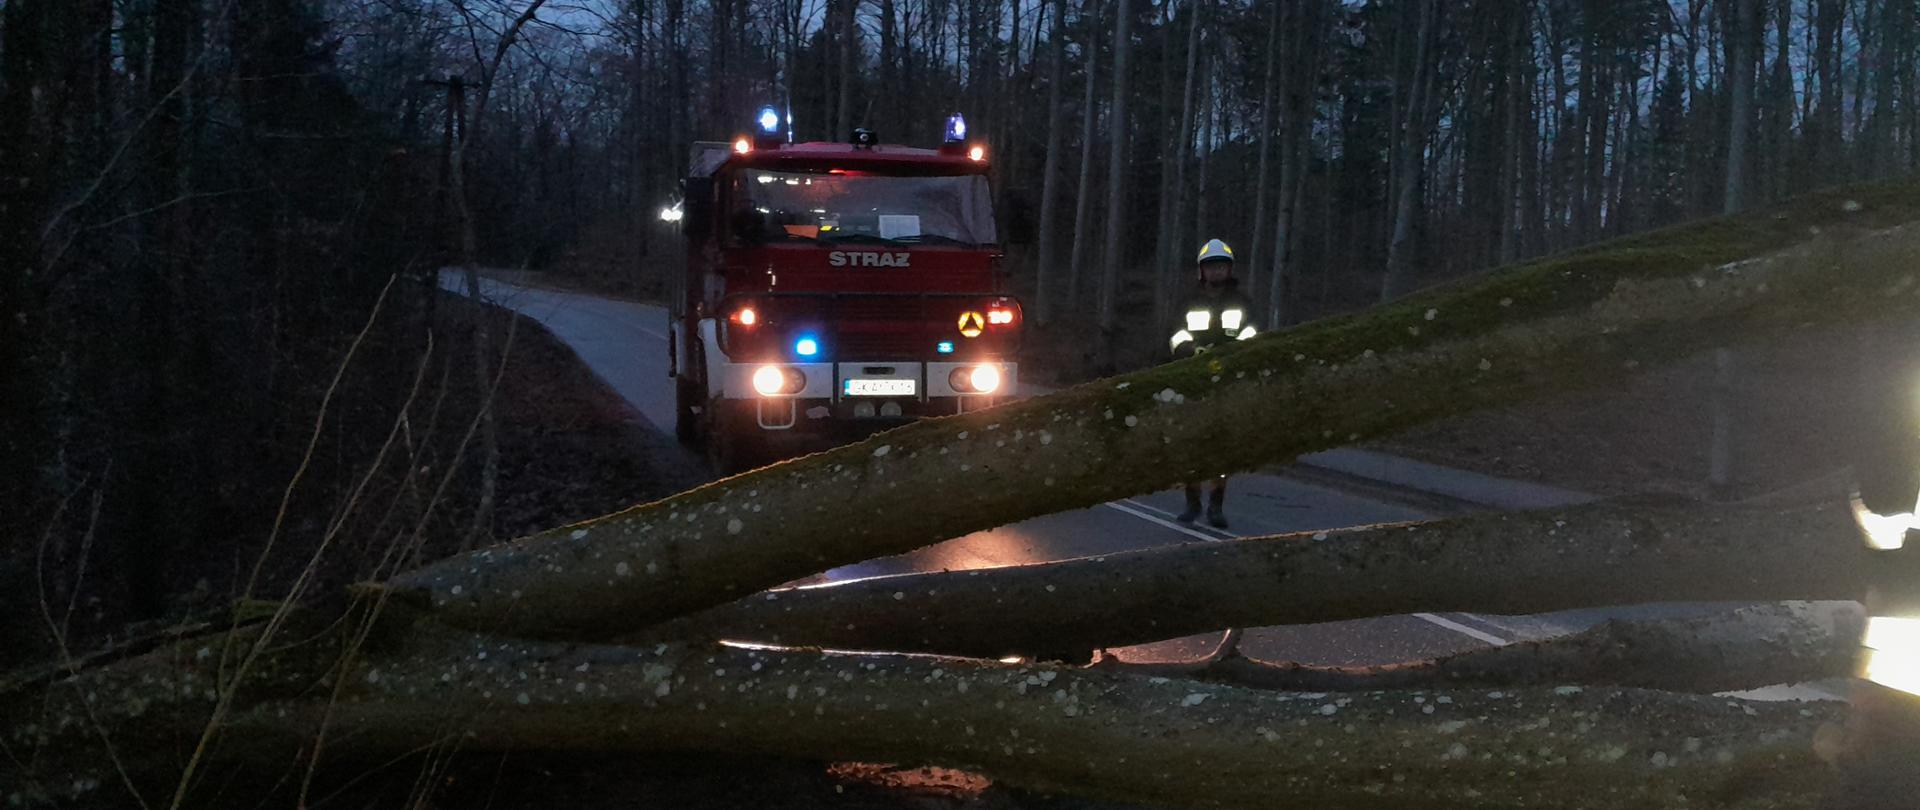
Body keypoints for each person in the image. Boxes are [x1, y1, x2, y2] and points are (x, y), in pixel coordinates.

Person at [1170, 238, 1259, 528]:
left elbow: (1253, 333)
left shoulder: (1242, 302)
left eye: (1221, 267)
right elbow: (1174, 335)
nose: (1216, 272)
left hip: (1228, 383)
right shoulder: (1188, 302)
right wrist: (1190, 351)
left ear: (1229, 270)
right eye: (1212, 267)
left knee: (1221, 449)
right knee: (1192, 446)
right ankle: (1192, 503)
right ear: (1202, 271)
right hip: (1194, 382)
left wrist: (1235, 353)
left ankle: (1216, 506)